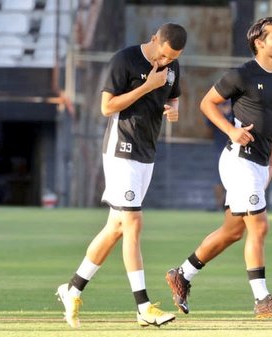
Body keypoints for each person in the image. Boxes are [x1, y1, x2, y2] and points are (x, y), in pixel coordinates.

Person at [55, 23, 187, 328]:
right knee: (133, 222)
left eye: (173, 58)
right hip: (121, 149)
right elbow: (106, 107)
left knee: (115, 227)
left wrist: (173, 109)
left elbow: (173, 96)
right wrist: (146, 87)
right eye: (165, 55)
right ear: (154, 39)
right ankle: (143, 307)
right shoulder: (125, 60)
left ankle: (72, 288)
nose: (167, 62)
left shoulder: (173, 66)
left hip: (147, 152)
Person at [165, 17, 272, 318]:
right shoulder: (241, 75)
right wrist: (231, 130)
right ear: (259, 43)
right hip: (239, 160)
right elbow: (207, 104)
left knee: (232, 231)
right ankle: (262, 300)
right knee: (260, 226)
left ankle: (182, 274)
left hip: (259, 164)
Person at [205, 100, 233, 210]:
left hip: (235, 150)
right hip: (220, 150)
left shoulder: (236, 110)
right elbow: (208, 131)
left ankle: (229, 205)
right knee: (218, 179)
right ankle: (218, 205)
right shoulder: (215, 110)